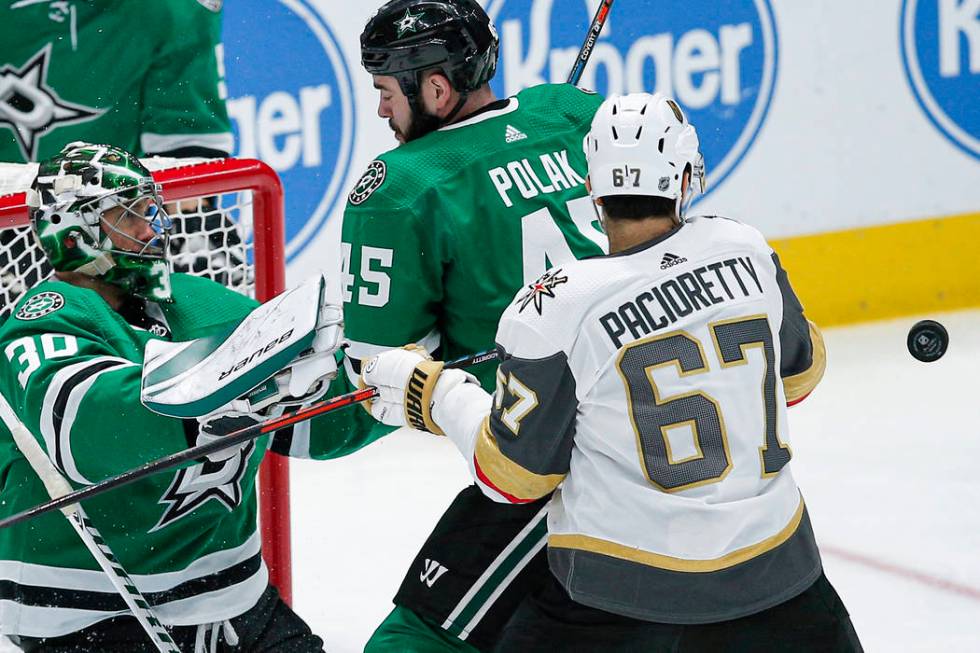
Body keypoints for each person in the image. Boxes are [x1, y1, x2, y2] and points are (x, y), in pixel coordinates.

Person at [361, 92, 864, 652]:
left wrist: (435, 393)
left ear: (590, 187)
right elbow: (799, 376)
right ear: (687, 177)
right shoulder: (744, 247)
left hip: (619, 603)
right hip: (781, 579)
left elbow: (515, 479)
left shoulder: (553, 306)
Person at [0, 143, 374, 651]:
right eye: (127, 216)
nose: (152, 229)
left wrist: (380, 384)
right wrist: (244, 384)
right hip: (87, 614)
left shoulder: (197, 302)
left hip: (237, 602)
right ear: (75, 231)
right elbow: (91, 433)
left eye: (149, 210)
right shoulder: (42, 320)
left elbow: (314, 424)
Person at [341, 0, 607, 649]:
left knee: (412, 638)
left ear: (434, 88)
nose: (381, 111)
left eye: (384, 91)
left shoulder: (399, 186)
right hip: (660, 402)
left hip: (553, 454)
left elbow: (382, 374)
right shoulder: (569, 114)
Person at [1, 0, 237, 314]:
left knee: (205, 259)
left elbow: (189, 160)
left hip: (119, 212)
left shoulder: (173, 9)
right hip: (12, 218)